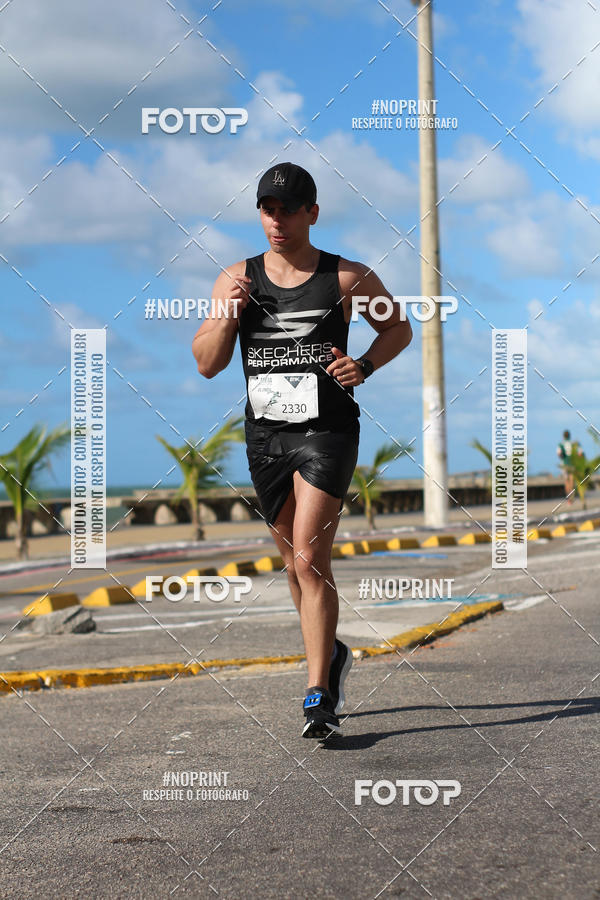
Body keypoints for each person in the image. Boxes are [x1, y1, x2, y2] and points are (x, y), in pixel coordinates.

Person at [192, 162, 412, 738]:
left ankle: (318, 694)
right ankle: (332, 654)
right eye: (268, 209)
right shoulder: (235, 278)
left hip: (327, 432)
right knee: (293, 564)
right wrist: (230, 312)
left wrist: (363, 362)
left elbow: (399, 329)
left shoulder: (346, 279)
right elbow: (208, 363)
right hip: (266, 436)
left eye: (289, 209)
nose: (277, 220)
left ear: (312, 212)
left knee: (312, 560)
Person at [557, 429, 581, 505]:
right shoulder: (573, 444)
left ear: (563, 436)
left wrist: (563, 456)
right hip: (572, 465)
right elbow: (580, 453)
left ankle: (568, 498)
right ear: (570, 436)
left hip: (564, 465)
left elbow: (559, 454)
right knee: (571, 481)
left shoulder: (561, 444)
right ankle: (571, 498)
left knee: (566, 482)